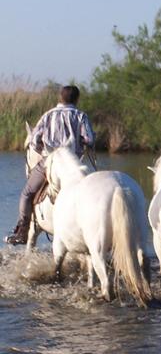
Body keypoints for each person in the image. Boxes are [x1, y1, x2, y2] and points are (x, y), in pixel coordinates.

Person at [4, 85, 95, 245]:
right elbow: (90, 139)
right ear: (77, 99)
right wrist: (81, 144)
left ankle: (22, 232)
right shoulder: (81, 116)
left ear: (60, 98)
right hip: (73, 163)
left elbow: (33, 140)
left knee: (26, 193)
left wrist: (43, 151)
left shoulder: (48, 115)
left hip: (50, 162)